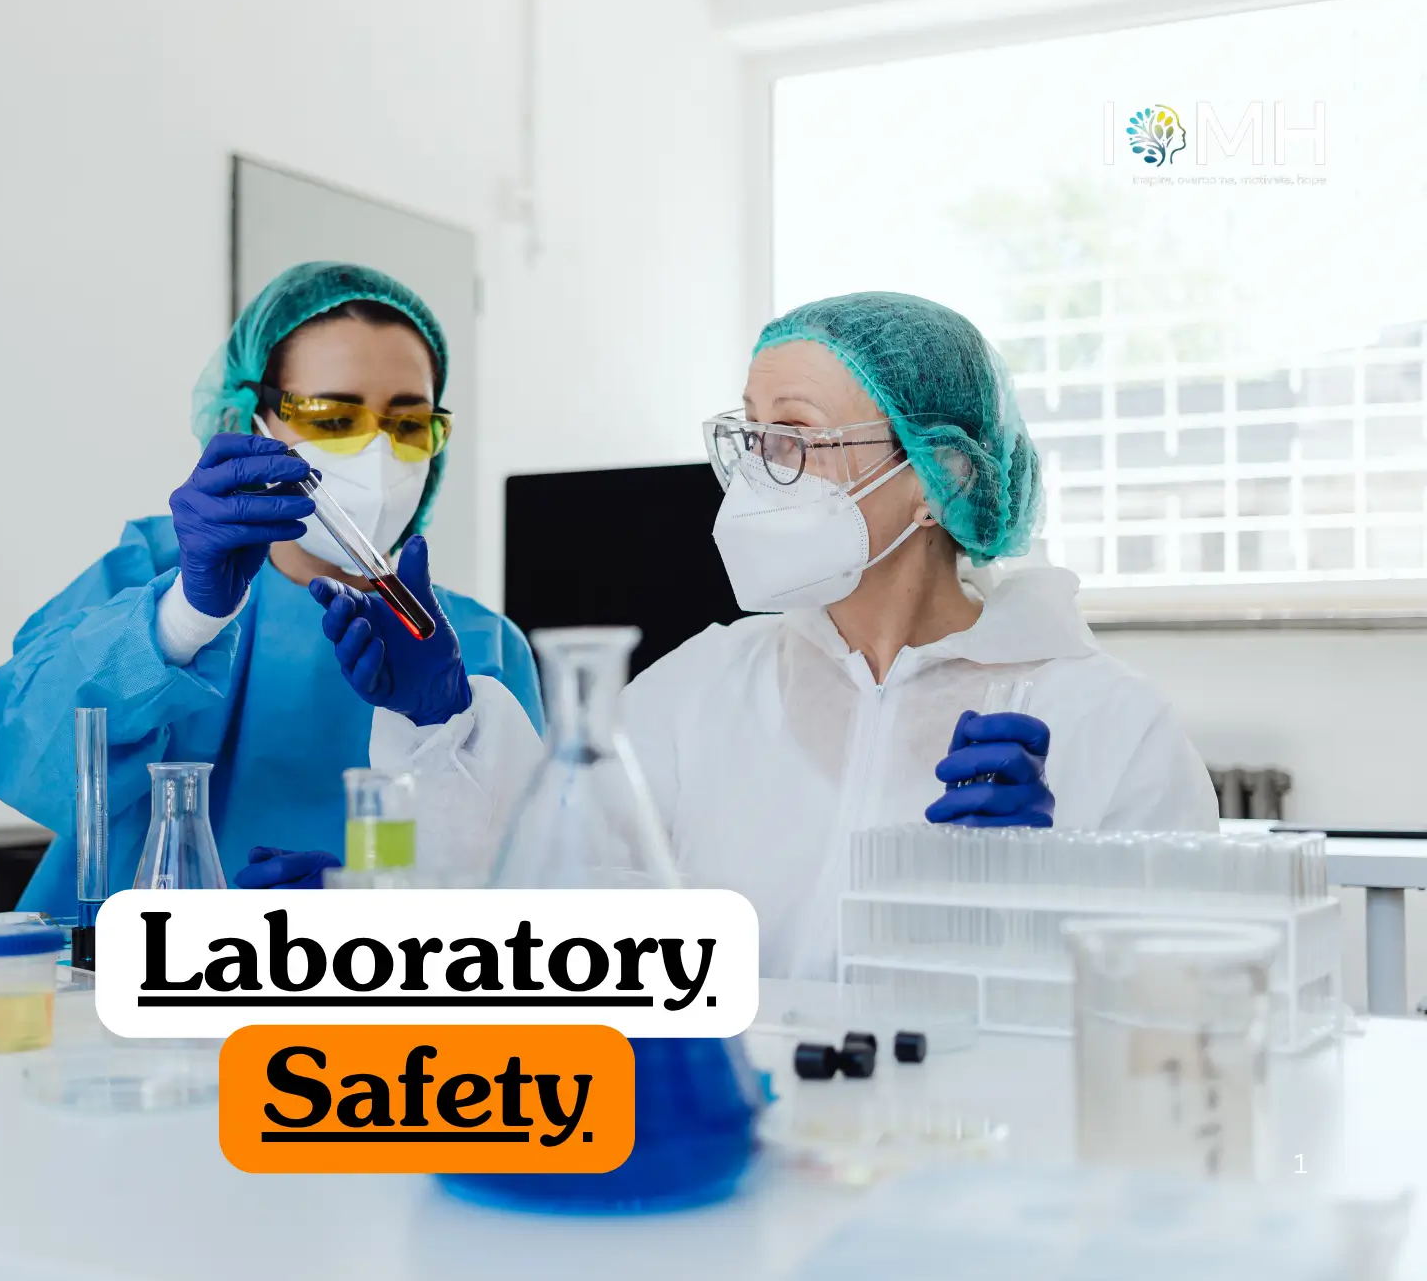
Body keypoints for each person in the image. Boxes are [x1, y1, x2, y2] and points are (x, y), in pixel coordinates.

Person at [312, 290, 1218, 977]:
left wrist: (1059, 886)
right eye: (748, 438)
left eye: (792, 438)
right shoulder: (699, 688)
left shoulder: (1106, 719)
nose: (753, 475)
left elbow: (1200, 992)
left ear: (936, 473)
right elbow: (553, 912)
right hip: (749, 1160)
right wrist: (447, 726)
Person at [0, 262, 541, 909]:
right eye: (333, 418)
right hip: (116, 983)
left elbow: (533, 888)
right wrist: (182, 618)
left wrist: (374, 907)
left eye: (408, 425)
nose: (378, 455)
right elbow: (20, 756)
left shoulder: (476, 645)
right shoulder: (152, 575)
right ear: (250, 422)